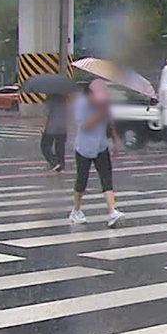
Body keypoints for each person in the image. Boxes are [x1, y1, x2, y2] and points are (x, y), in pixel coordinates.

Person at [68, 80, 123, 227]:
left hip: (100, 146)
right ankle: (75, 211)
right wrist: (100, 114)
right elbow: (84, 125)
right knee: (82, 180)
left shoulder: (103, 104)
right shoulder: (81, 103)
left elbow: (109, 124)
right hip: (84, 148)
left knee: (107, 179)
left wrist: (114, 142)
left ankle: (112, 212)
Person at [40, 93, 68, 172]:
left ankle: (54, 162)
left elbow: (46, 114)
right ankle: (61, 166)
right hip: (62, 126)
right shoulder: (63, 98)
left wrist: (44, 127)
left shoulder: (49, 99)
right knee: (60, 147)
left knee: (45, 146)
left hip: (51, 126)